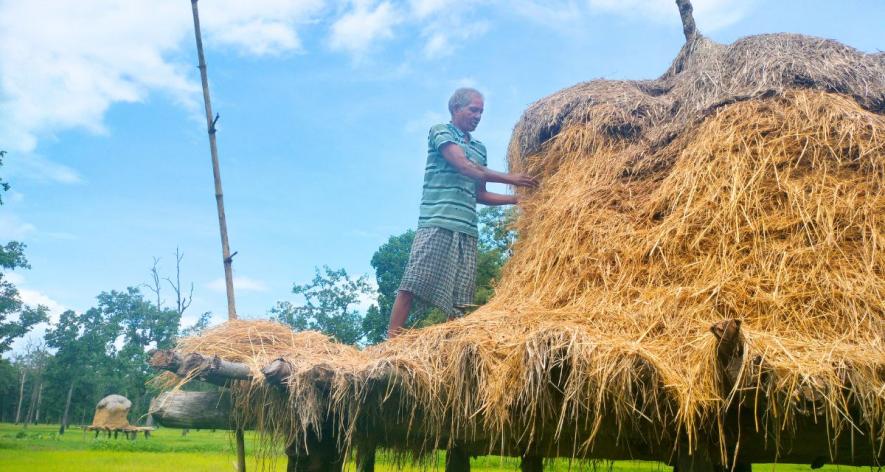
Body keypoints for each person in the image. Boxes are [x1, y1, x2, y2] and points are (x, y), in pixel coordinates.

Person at [387, 88, 537, 338]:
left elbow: (481, 194)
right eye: (473, 110)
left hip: (467, 227)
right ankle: (391, 341)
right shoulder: (441, 131)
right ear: (456, 109)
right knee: (413, 282)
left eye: (481, 111)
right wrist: (512, 178)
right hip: (437, 220)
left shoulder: (479, 148)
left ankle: (451, 346)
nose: (478, 116)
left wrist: (517, 198)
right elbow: (463, 166)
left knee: (460, 298)